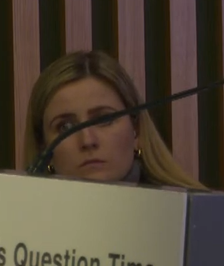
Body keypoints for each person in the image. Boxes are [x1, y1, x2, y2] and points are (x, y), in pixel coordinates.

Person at [23, 50, 207, 190]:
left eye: (105, 119)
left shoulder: (192, 218)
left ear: (137, 130)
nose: (88, 140)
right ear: (43, 147)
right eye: (66, 127)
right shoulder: (16, 224)